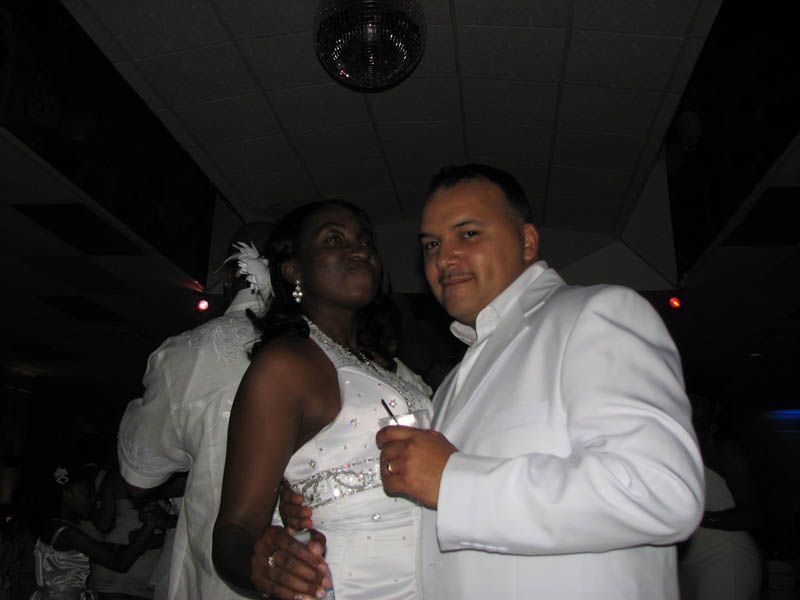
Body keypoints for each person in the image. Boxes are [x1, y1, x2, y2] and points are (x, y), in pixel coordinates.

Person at [279, 164, 705, 598]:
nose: (443, 258)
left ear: (527, 241)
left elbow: (662, 490)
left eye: (468, 234)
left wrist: (454, 481)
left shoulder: (595, 314)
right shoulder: (449, 387)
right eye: (431, 244)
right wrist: (312, 505)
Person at [212, 200, 432, 600]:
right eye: (335, 239)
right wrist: (269, 565)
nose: (361, 249)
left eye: (366, 241)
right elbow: (234, 531)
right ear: (294, 269)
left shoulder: (384, 365)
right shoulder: (285, 365)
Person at [116, 222, 274, 600]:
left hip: (218, 577)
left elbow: (139, 476)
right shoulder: (330, 351)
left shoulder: (186, 355)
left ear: (227, 275)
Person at [28, 464, 162, 600]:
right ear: (67, 494)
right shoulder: (66, 532)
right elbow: (119, 563)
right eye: (87, 494)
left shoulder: (56, 525)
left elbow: (103, 549)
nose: (93, 501)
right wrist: (149, 527)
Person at [679, 394, 762, 599]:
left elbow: (752, 514)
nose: (694, 407)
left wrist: (700, 518)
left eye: (700, 402)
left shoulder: (723, 447)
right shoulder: (678, 445)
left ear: (715, 410)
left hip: (725, 554)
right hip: (687, 559)